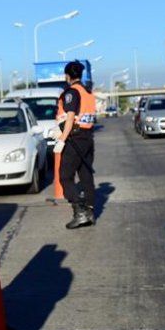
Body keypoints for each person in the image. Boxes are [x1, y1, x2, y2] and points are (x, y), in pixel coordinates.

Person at [55, 60, 96, 229]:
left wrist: (62, 140)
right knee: (85, 175)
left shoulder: (71, 92)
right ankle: (91, 212)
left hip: (74, 138)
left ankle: (80, 211)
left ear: (67, 76)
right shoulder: (87, 91)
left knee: (65, 176)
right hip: (87, 137)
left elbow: (70, 117)